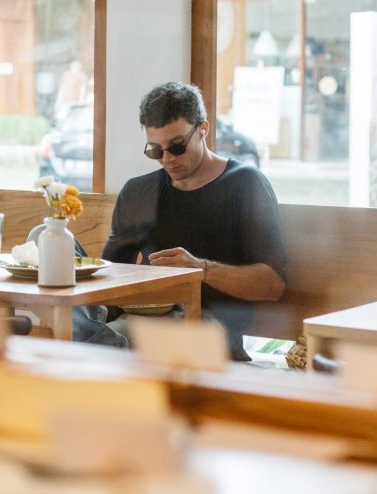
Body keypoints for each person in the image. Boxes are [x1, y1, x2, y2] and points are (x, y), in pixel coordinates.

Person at [73, 82, 287, 360]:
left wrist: (201, 268)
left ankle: (100, 344)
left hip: (207, 326)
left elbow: (274, 285)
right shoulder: (139, 192)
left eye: (177, 147)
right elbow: (110, 276)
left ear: (203, 129)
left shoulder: (244, 184)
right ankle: (99, 339)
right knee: (47, 238)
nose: (167, 159)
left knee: (81, 342)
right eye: (155, 151)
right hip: (140, 317)